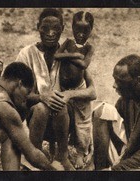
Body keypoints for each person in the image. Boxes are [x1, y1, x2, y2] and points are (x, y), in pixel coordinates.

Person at [16, 8, 96, 170]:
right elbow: (16, 94)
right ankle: (34, 156)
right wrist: (41, 97)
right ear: (38, 27)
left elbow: (92, 91)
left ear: (63, 29)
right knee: (41, 108)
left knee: (60, 104)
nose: (50, 33)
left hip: (65, 119)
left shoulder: (71, 52)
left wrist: (68, 94)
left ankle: (62, 156)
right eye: (45, 28)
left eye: (56, 29)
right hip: (37, 120)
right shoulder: (26, 54)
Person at [93, 54, 140, 171]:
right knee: (103, 110)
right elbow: (117, 132)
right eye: (114, 79)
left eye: (120, 81)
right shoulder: (126, 99)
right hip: (128, 155)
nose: (114, 85)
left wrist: (114, 170)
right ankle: (99, 170)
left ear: (137, 81)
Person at [54, 11, 95, 169]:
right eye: (78, 29)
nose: (81, 34)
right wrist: (74, 55)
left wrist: (69, 56)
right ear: (72, 28)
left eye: (85, 30)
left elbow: (84, 65)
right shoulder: (68, 42)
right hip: (62, 86)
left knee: (83, 122)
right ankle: (57, 149)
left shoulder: (89, 47)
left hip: (79, 88)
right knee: (59, 113)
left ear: (91, 30)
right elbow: (57, 56)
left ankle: (80, 152)